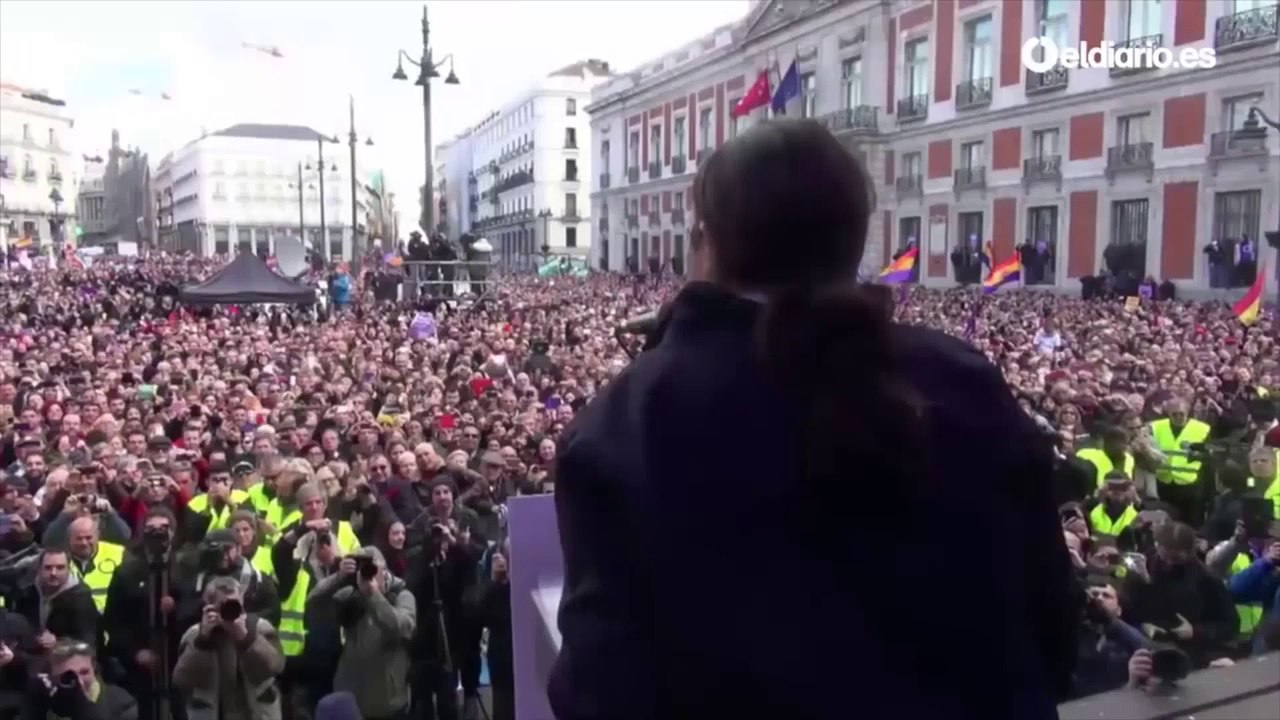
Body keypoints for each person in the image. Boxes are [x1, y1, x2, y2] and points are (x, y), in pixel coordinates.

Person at [547, 119, 1077, 719]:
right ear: (852, 240)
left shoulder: (627, 423)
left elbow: (600, 691)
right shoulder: (963, 379)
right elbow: (1050, 629)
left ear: (709, 243)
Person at [306, 547, 415, 720]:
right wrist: (338, 577)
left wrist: (374, 595)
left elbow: (401, 627)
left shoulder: (401, 595)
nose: (367, 575)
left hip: (386, 702)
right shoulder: (351, 595)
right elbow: (314, 605)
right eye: (362, 569)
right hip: (351, 700)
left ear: (384, 570)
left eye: (372, 569)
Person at [172, 576, 286, 720]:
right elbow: (182, 679)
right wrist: (203, 642)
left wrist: (247, 639)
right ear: (209, 606)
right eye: (223, 605)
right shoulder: (195, 635)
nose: (230, 610)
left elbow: (275, 667)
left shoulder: (259, 628)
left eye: (235, 604)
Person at [22, 638, 138, 720]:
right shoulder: (43, 701)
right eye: (68, 676)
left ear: (94, 668)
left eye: (84, 672)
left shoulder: (123, 703)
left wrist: (82, 704)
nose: (79, 681)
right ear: (52, 676)